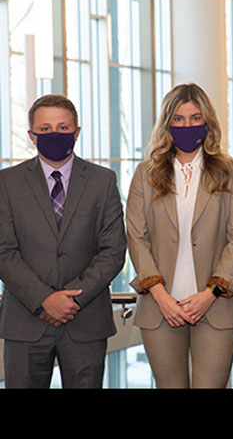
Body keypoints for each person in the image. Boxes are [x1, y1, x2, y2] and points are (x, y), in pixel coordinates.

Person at [126, 83, 233, 388]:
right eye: (178, 119)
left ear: (207, 122)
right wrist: (160, 295)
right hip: (160, 308)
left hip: (215, 306)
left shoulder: (229, 171)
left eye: (195, 118)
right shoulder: (145, 173)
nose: (187, 125)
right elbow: (136, 237)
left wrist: (210, 294)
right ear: (167, 124)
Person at [0, 94, 127, 388]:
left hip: (85, 320)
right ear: (32, 136)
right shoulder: (7, 183)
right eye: (45, 129)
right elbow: (3, 251)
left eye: (63, 127)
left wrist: (72, 300)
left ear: (77, 132)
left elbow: (113, 251)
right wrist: (44, 299)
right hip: (25, 321)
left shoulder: (102, 180)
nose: (54, 134)